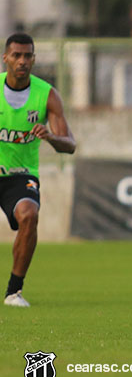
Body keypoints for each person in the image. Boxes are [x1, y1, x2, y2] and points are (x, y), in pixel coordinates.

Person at [2, 33, 76, 307]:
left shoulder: (47, 94)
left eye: (27, 56)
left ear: (33, 59)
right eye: (16, 55)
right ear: (6, 58)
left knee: (29, 215)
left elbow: (69, 145)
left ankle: (13, 291)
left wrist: (50, 137)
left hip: (20, 175)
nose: (22, 61)